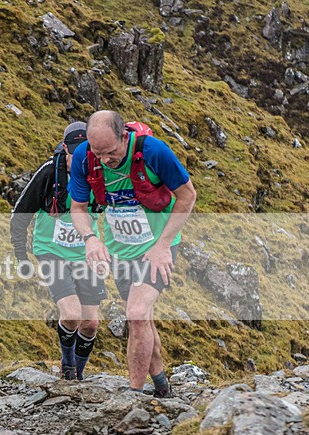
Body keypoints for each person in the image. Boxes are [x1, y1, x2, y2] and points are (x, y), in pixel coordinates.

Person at [68, 110, 197, 397]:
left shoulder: (153, 151)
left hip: (157, 248)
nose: (105, 160)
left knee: (137, 314)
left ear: (124, 136)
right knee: (143, 318)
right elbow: (77, 208)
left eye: (111, 152)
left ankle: (134, 395)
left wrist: (163, 246)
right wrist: (90, 238)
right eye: (98, 153)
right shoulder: (84, 158)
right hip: (119, 250)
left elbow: (187, 195)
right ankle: (163, 387)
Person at [10, 122, 106, 380]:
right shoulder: (49, 173)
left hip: (85, 252)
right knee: (72, 314)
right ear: (65, 148)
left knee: (90, 323)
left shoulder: (100, 171)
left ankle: (78, 376)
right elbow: (20, 214)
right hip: (50, 250)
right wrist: (21, 254)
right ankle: (67, 366)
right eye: (75, 153)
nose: (81, 158)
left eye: (88, 152)